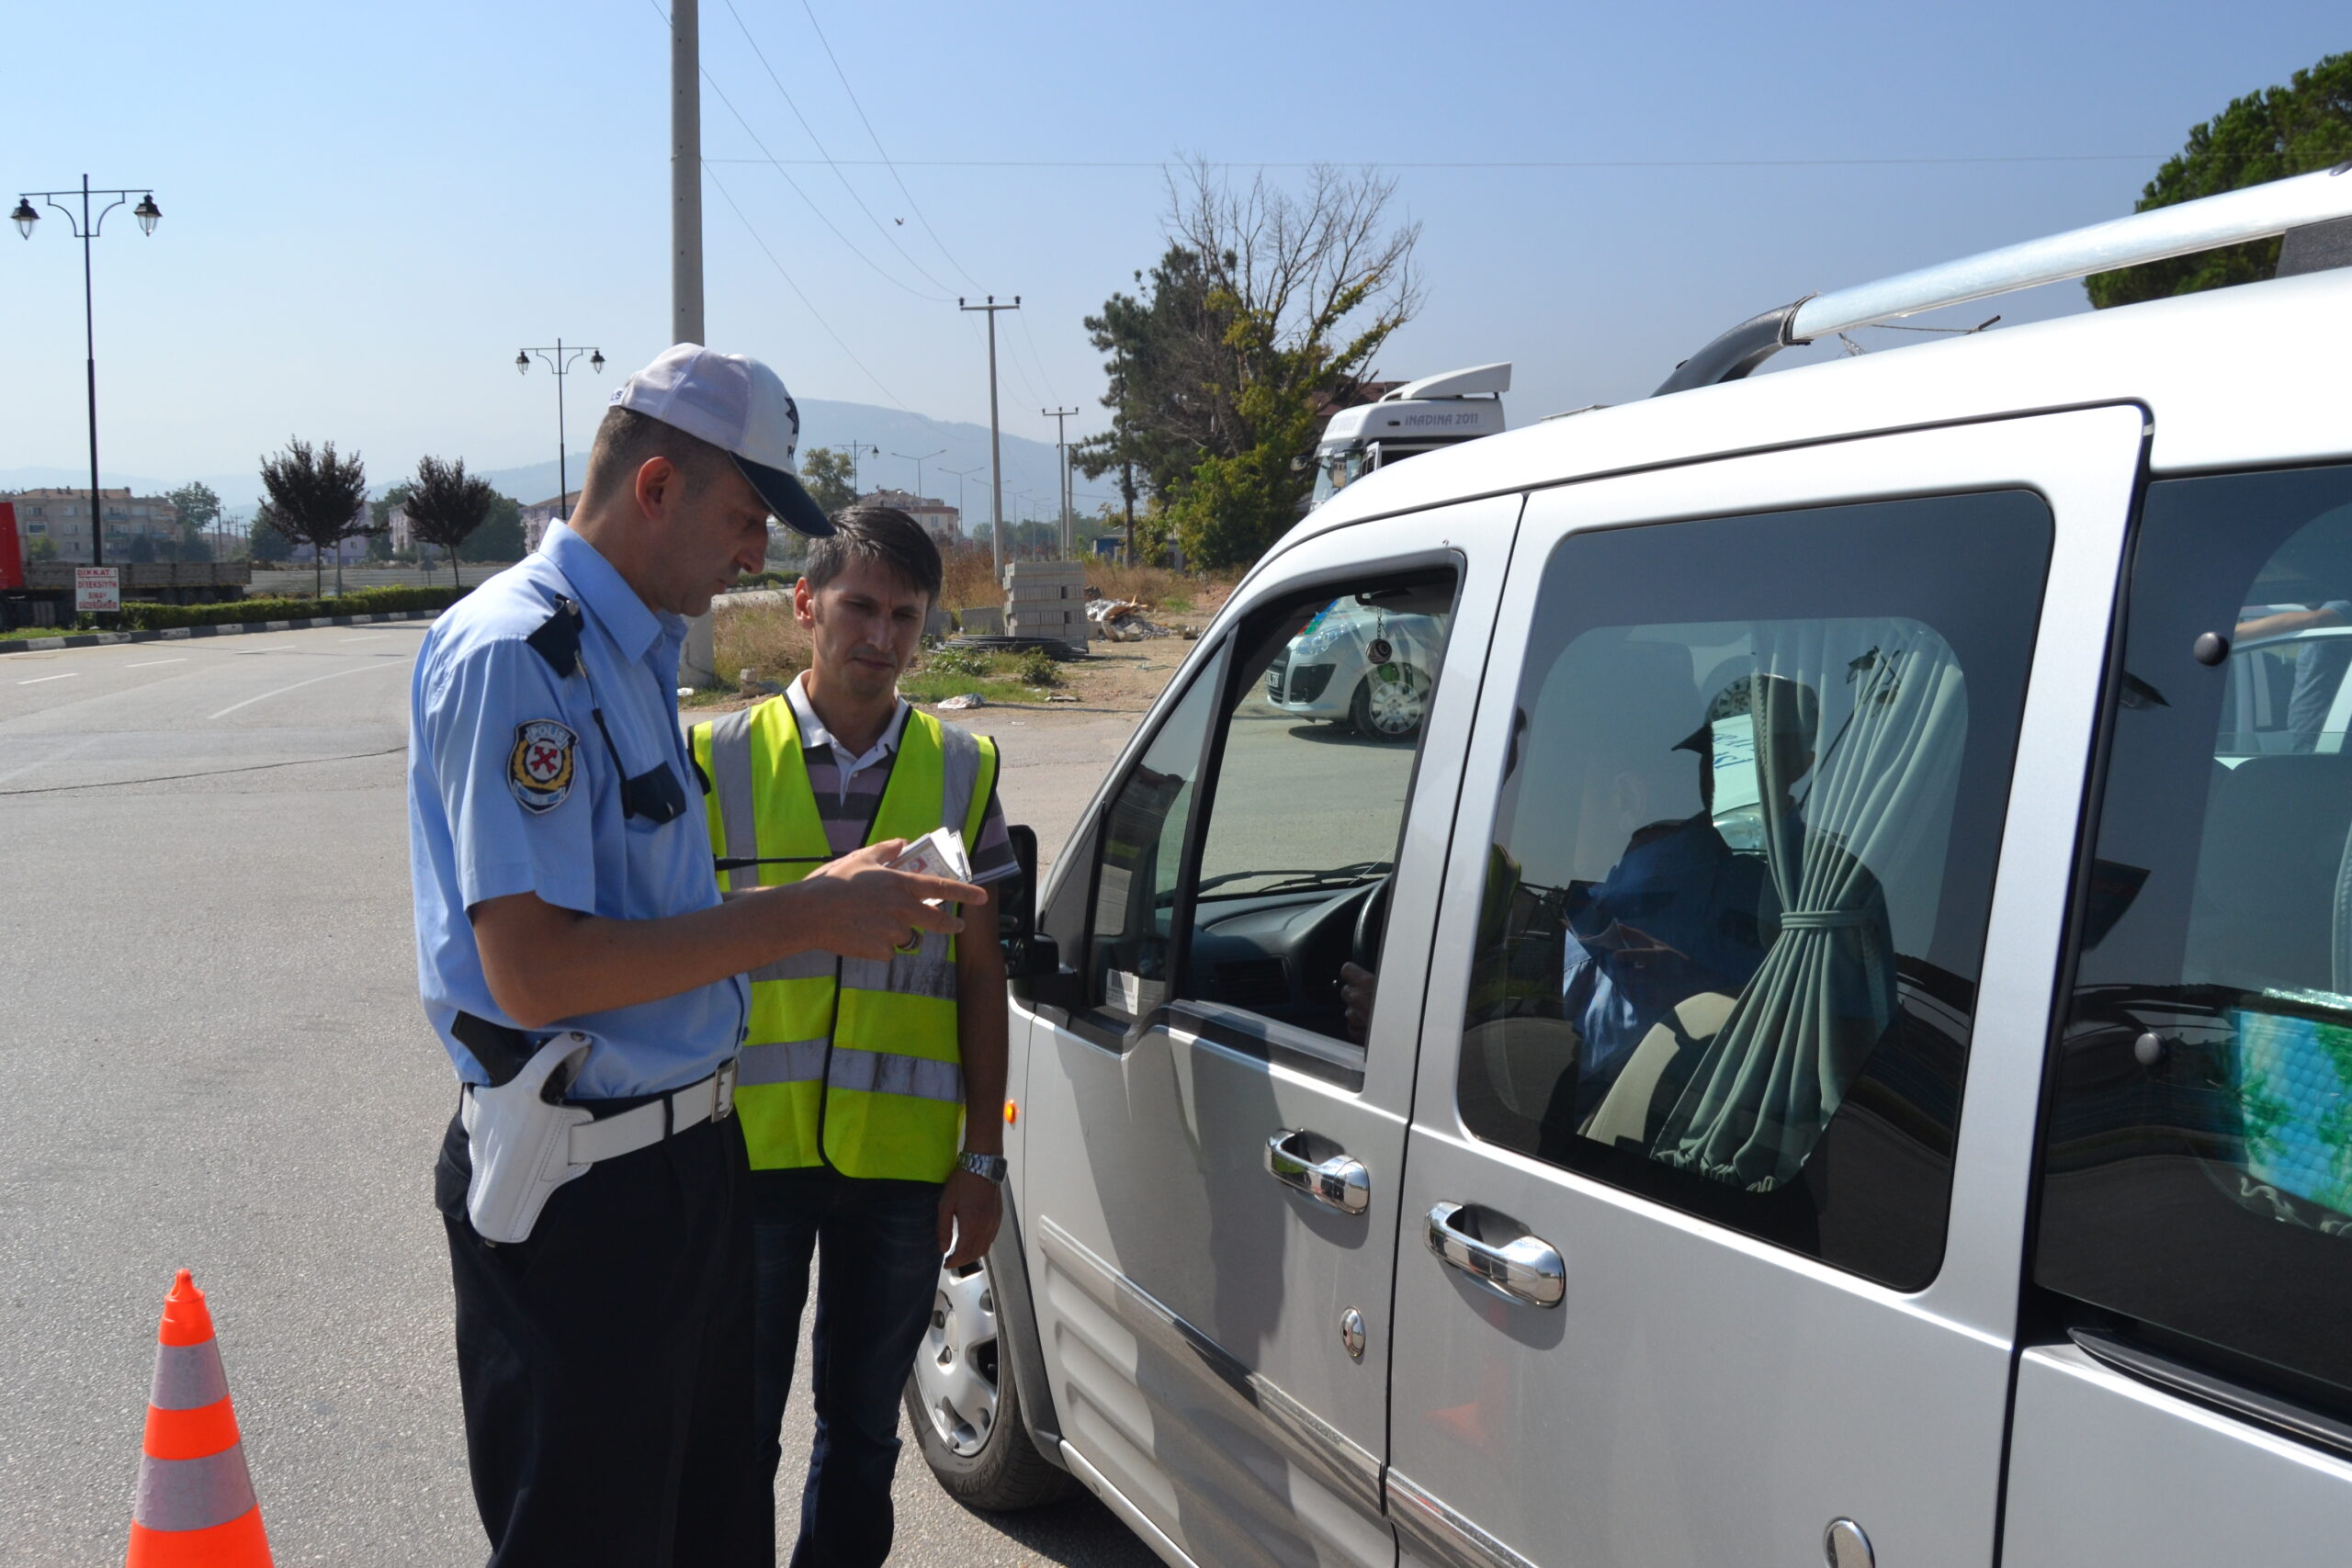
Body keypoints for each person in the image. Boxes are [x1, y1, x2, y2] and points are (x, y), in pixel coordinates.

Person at [409, 345, 980, 1568]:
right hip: (584, 1196)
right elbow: (536, 972)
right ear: (656, 486)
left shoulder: (625, 652)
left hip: (689, 1166)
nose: (757, 559)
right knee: (598, 1531)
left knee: (712, 1516)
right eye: (743, 519)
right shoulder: (523, 654)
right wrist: (809, 913)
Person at [687, 505, 1018, 1568]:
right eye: (859, 606)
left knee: (864, 1437)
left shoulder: (963, 770)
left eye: (905, 615)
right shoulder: (714, 761)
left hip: (900, 1171)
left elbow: (981, 977)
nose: (880, 634)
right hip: (744, 1158)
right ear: (805, 604)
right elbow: (665, 952)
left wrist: (981, 1156)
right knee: (729, 1438)